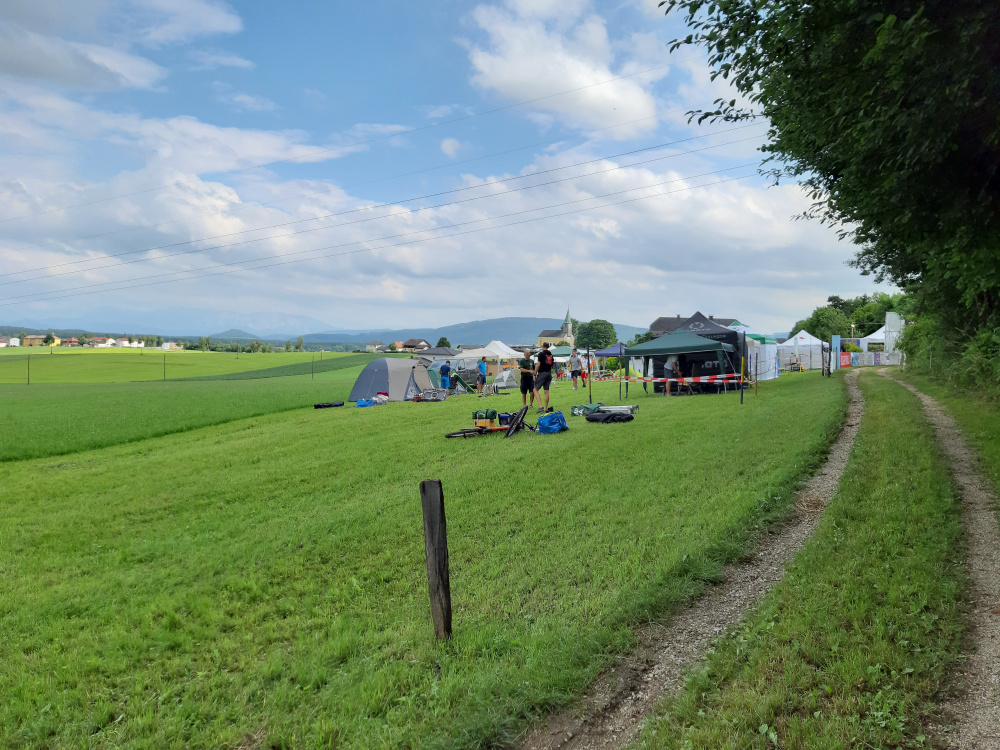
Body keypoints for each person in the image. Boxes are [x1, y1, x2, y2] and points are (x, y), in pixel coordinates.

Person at [533, 342, 555, 413]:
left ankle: (541, 406)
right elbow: (552, 366)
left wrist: (535, 374)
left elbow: (538, 364)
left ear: (543, 346)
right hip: (549, 373)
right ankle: (545, 408)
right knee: (546, 391)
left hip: (542, 373)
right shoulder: (550, 355)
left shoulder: (541, 354)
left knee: (535, 389)